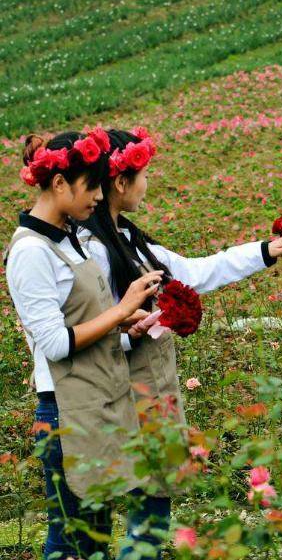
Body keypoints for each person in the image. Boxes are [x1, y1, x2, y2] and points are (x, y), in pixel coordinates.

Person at [76, 127, 282, 559]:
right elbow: (88, 328)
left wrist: (266, 250)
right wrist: (128, 330)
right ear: (120, 182)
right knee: (126, 509)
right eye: (142, 174)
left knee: (155, 496)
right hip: (119, 393)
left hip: (151, 388)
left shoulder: (126, 239)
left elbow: (194, 271)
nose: (147, 183)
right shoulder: (94, 249)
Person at [5, 130, 162, 559]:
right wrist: (122, 307)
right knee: (72, 540)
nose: (98, 195)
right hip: (65, 410)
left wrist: (125, 329)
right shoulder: (31, 251)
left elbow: (84, 328)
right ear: (59, 184)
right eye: (90, 185)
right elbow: (55, 343)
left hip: (95, 401)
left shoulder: (67, 240)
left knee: (93, 538)